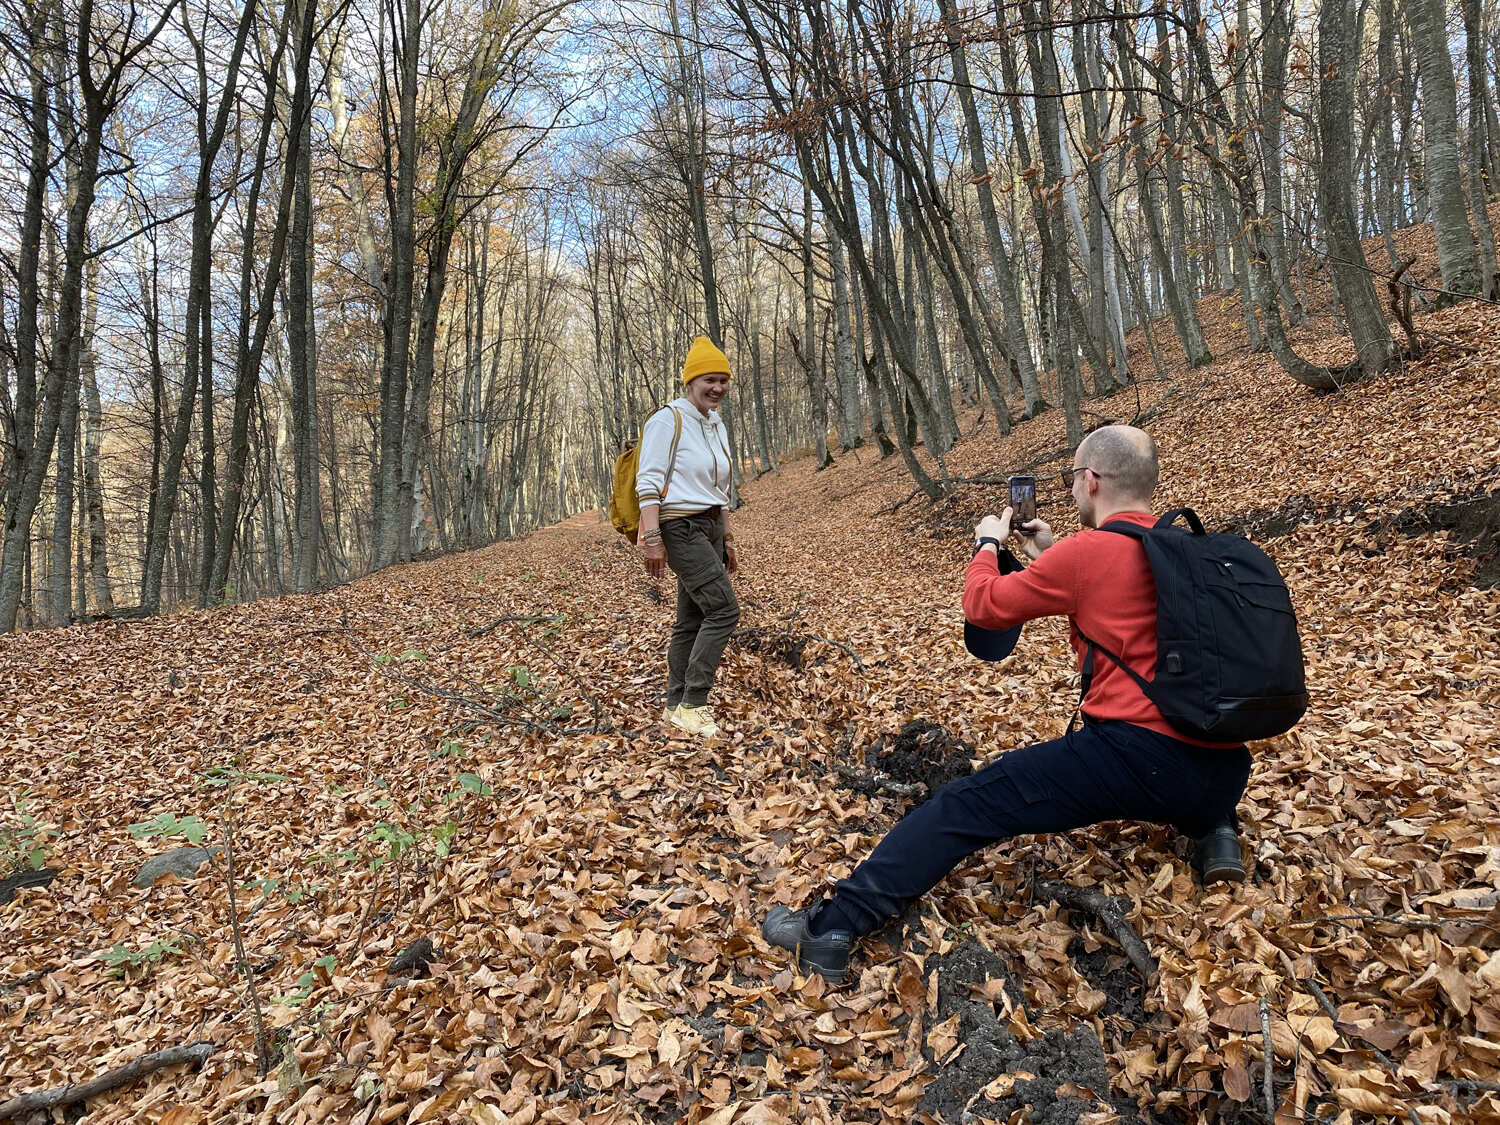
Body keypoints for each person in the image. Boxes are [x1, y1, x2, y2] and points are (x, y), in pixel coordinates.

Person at [763, 425, 1251, 983]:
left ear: (1091, 482)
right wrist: (1046, 555)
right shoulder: (1188, 549)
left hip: (1136, 761)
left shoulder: (1090, 554)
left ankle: (832, 926)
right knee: (1183, 762)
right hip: (1222, 768)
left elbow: (984, 605)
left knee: (966, 805)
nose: (1071, 491)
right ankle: (1218, 831)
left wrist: (987, 546)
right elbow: (1120, 608)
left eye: (1072, 479)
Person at [635, 337, 740, 739]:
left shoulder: (715, 423)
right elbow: (648, 483)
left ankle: (676, 704)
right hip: (679, 527)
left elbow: (720, 487)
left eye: (723, 381)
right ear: (691, 381)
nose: (717, 388)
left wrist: (727, 537)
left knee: (692, 618)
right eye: (709, 379)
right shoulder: (668, 419)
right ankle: (695, 702)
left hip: (711, 526)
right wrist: (652, 538)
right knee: (724, 610)